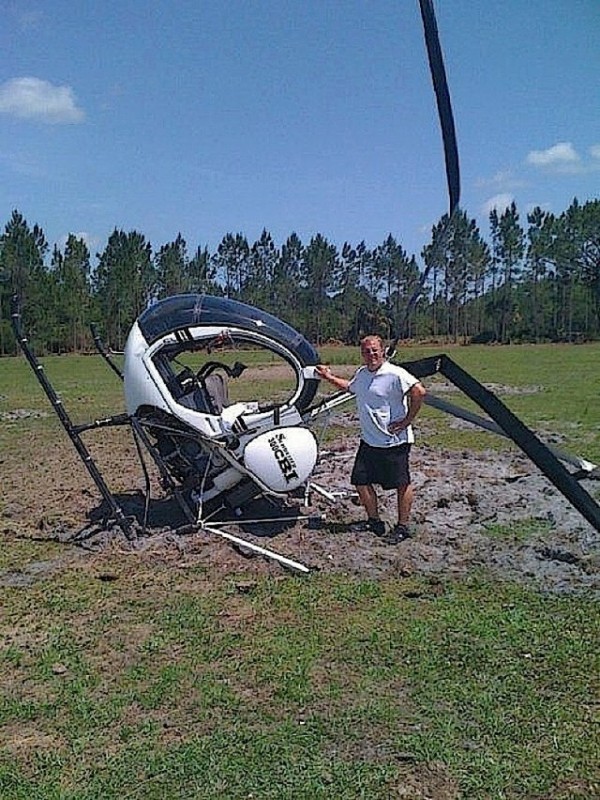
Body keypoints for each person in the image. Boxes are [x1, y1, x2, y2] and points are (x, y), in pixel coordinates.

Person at [316, 335, 426, 544]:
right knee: (360, 481)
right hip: (369, 441)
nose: (371, 354)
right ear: (362, 354)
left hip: (394, 442)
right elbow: (350, 387)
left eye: (375, 350)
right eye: (366, 351)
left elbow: (419, 392)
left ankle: (402, 527)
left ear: (383, 350)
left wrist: (406, 421)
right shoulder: (363, 374)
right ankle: (374, 521)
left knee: (401, 484)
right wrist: (328, 377)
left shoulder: (395, 373)